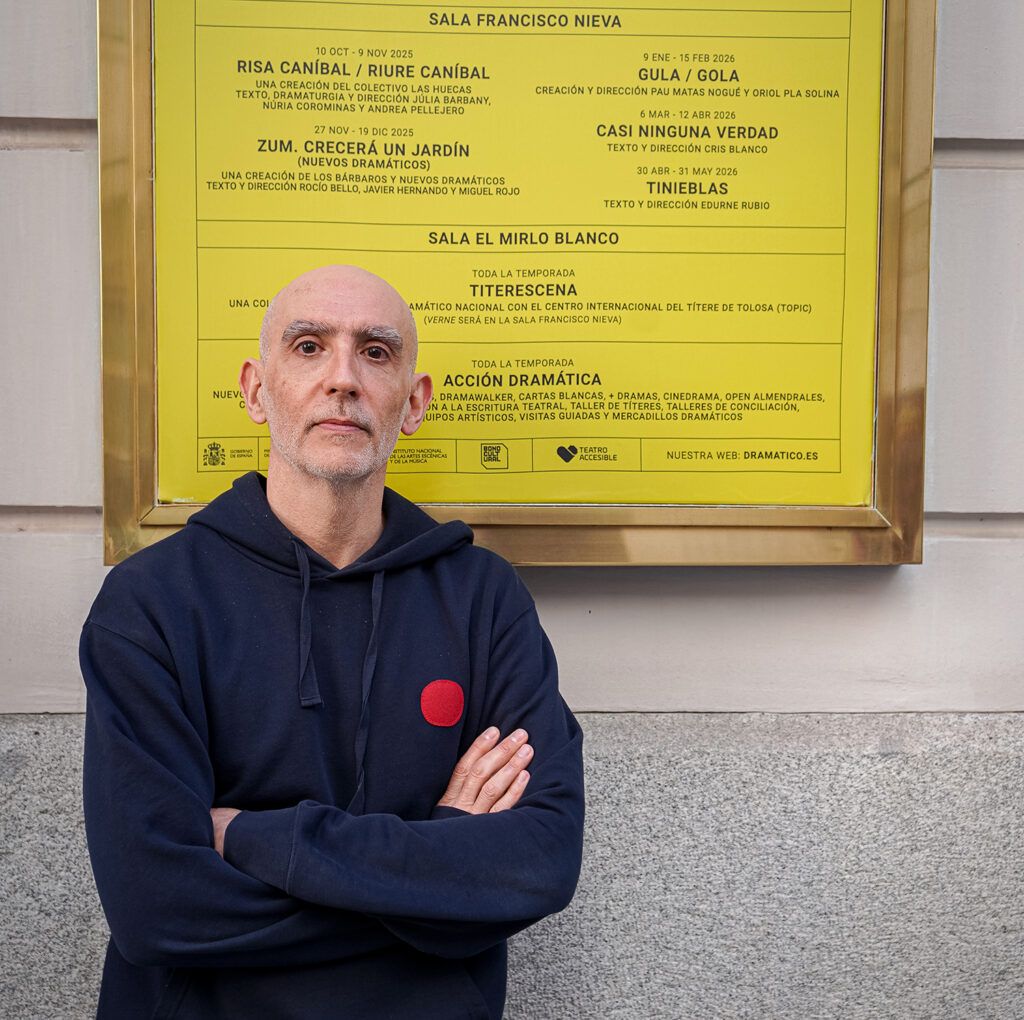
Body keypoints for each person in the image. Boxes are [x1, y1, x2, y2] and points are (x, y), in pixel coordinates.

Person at [81, 265, 585, 1019]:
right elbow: (155, 906)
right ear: (257, 390)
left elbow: (537, 862)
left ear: (413, 404)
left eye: (376, 352)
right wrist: (440, 863)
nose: (343, 379)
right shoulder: (152, 602)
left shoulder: (483, 598)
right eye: (309, 346)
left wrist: (250, 838)